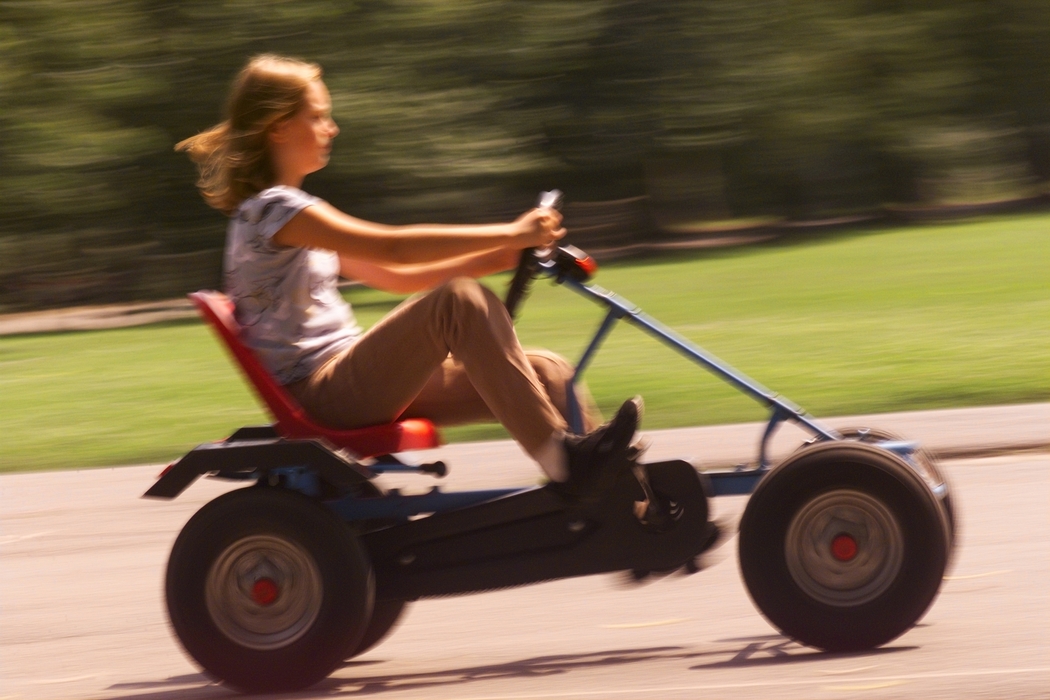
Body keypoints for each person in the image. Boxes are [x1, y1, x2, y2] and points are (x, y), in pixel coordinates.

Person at [176, 54, 640, 495]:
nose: (331, 128)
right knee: (459, 300)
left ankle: (634, 506)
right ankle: (565, 462)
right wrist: (512, 231)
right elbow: (394, 249)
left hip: (352, 381)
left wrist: (506, 253)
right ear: (278, 128)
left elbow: (396, 276)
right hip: (323, 394)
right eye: (318, 116)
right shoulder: (275, 210)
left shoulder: (284, 215)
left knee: (550, 372)